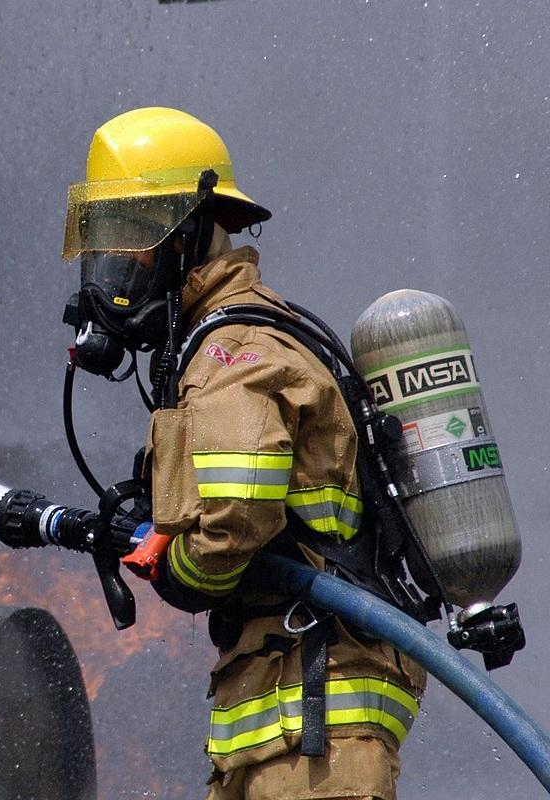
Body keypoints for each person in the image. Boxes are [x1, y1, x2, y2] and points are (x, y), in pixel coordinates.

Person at [63, 107, 427, 800]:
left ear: (192, 231)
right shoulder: (220, 345)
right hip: (283, 714)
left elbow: (230, 531)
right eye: (108, 238)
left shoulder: (233, 355)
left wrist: (172, 565)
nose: (119, 263)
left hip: (316, 719)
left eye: (138, 234)